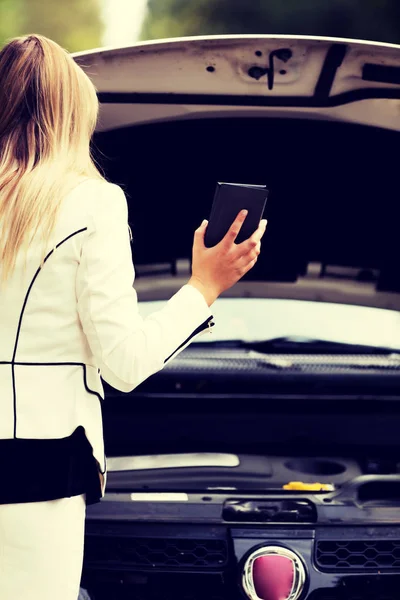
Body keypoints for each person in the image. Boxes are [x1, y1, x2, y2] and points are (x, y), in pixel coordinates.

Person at [0, 34, 267, 600]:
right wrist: (203, 286)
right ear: (73, 118)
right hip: (36, 471)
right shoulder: (91, 201)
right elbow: (123, 362)